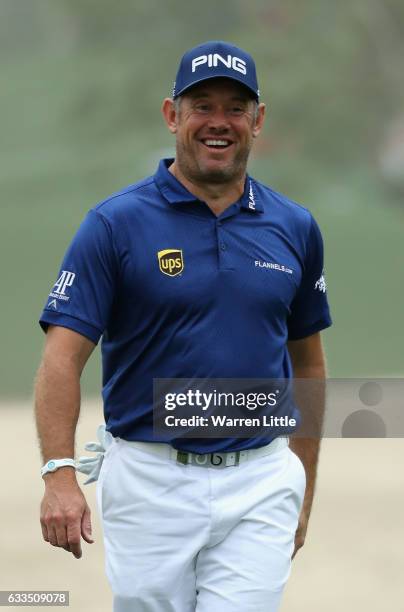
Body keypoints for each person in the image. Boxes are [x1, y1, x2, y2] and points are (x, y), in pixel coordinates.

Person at [35, 40, 332, 612]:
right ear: (173, 115)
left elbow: (309, 364)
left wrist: (304, 486)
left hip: (261, 479)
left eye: (234, 107)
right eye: (202, 106)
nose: (218, 122)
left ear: (257, 121)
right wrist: (59, 473)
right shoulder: (113, 224)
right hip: (150, 479)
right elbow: (61, 358)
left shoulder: (295, 227)